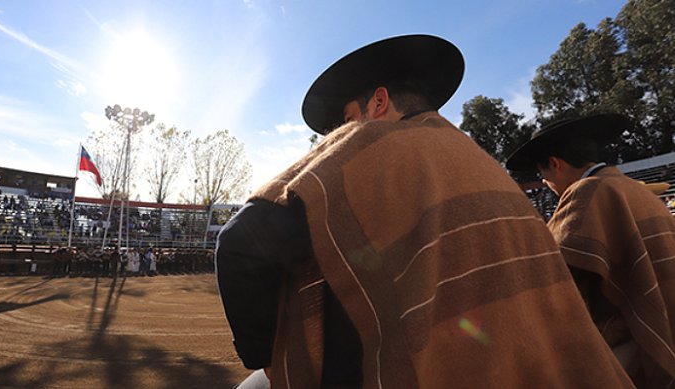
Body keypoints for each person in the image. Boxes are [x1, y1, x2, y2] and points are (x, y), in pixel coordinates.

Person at [216, 35, 633, 388]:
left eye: (345, 120)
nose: (339, 136)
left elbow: (237, 242)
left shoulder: (368, 154)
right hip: (525, 365)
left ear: (378, 102)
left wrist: (266, 357)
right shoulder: (481, 163)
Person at [505, 113, 675, 387]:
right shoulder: (637, 189)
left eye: (543, 175)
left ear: (555, 164)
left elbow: (554, 277)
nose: (546, 183)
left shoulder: (586, 192)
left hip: (636, 341)